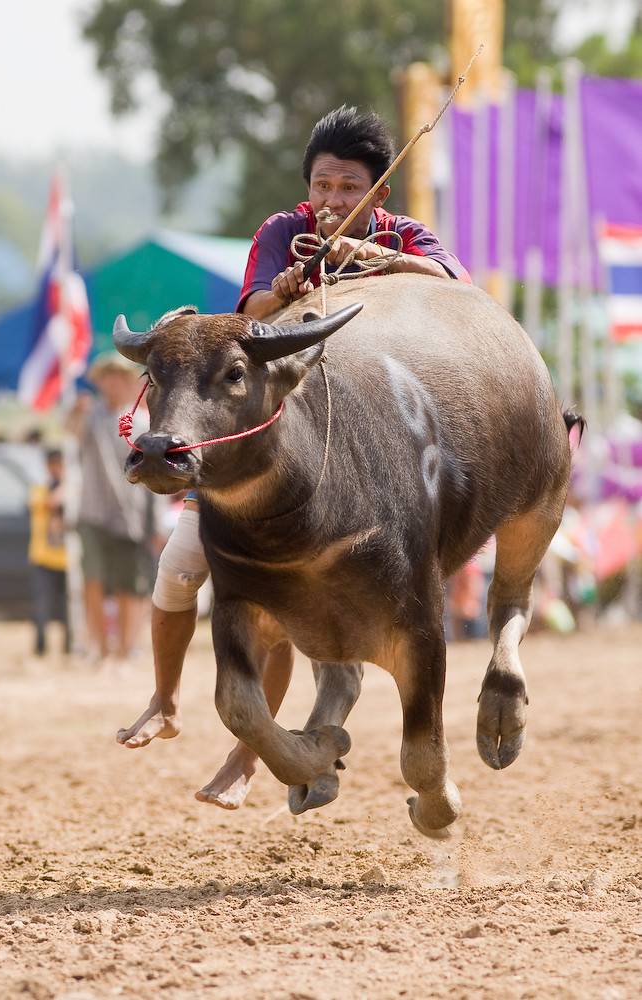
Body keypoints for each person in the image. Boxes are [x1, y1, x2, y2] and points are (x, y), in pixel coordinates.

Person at [117, 105, 471, 807]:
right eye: (323, 185)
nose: (333, 201)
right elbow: (249, 310)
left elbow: (457, 296)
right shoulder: (285, 232)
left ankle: (263, 752)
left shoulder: (404, 236)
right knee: (186, 563)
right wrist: (279, 295)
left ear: (378, 194)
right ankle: (168, 697)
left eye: (349, 189)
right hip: (280, 434)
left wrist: (384, 262)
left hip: (376, 440)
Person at [70, 352, 166, 670]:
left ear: (128, 383)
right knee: (93, 579)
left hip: (132, 515)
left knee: (130, 584)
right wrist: (75, 410)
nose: (112, 382)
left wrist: (156, 525)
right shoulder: (89, 415)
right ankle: (98, 647)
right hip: (93, 511)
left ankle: (127, 649)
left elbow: (154, 476)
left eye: (119, 376)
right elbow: (69, 429)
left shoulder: (140, 423)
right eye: (106, 376)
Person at [27, 447, 70, 658]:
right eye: (53, 465)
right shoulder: (41, 489)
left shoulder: (70, 491)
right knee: (41, 608)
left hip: (67, 559)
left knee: (68, 610)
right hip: (43, 557)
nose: (57, 469)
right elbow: (50, 502)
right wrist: (66, 486)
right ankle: (40, 649)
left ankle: (68, 648)